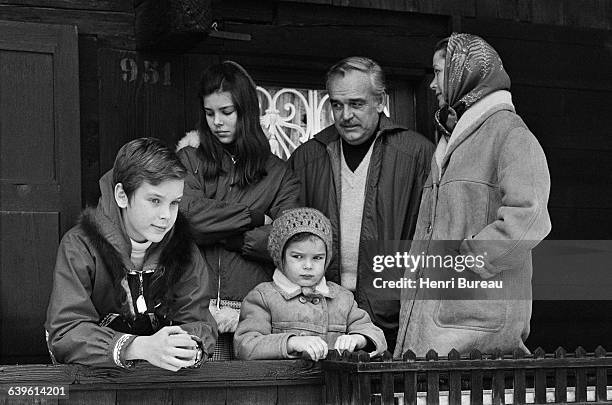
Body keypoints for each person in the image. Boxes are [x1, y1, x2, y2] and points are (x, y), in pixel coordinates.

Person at [394, 33, 551, 358]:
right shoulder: (452, 139)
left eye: (439, 73)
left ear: (465, 72)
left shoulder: (510, 134)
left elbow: (530, 216)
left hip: (476, 329)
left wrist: (468, 260)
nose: (432, 85)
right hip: (436, 326)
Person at [288, 57, 434, 350]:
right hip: (320, 316)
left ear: (380, 101)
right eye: (337, 105)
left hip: (392, 316)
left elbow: (433, 238)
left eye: (356, 104)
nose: (345, 115)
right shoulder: (308, 157)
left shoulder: (416, 154)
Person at [45, 138, 217, 370]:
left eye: (174, 203)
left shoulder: (183, 248)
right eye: (155, 200)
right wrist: (137, 347)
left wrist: (189, 346)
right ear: (122, 195)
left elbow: (198, 321)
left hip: (162, 386)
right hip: (93, 386)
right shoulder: (80, 246)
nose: (167, 215)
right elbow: (66, 331)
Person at [176, 61, 299, 360]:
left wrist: (228, 237)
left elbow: (287, 242)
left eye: (226, 112)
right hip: (197, 312)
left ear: (246, 111)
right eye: (209, 113)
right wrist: (254, 217)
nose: (217, 122)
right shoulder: (189, 159)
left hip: (257, 314)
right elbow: (189, 219)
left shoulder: (278, 173)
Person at [234, 207, 386, 360]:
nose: (308, 265)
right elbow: (246, 346)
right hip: (283, 382)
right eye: (298, 257)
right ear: (280, 256)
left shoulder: (342, 298)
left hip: (333, 383)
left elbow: (376, 336)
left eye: (317, 258)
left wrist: (358, 339)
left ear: (327, 258)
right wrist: (291, 343)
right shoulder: (263, 296)